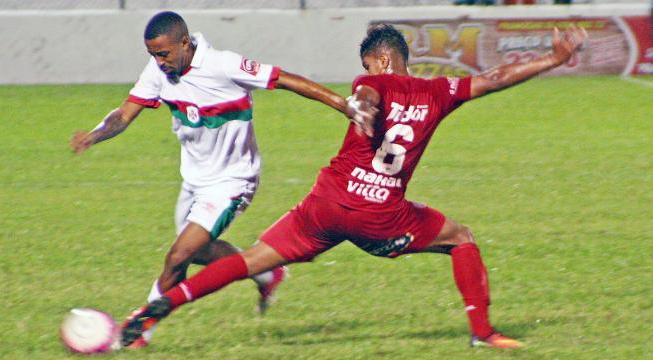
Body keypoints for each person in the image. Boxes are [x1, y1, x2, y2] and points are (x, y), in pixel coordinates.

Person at [118, 24, 587, 349]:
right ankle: (482, 332)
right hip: (382, 218)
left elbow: (367, 93)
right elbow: (495, 79)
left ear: (380, 58)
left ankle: (163, 305)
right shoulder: (441, 92)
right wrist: (555, 57)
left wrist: (362, 105)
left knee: (249, 261)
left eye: (366, 62)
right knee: (461, 238)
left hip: (324, 205)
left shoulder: (370, 82)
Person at [71, 11, 370, 348]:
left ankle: (138, 330)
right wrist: (95, 134)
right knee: (199, 253)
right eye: (152, 55)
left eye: (164, 54)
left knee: (178, 257)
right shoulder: (158, 71)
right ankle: (267, 272)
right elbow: (124, 114)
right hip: (193, 182)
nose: (159, 62)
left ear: (184, 43)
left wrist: (342, 104)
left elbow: (284, 79)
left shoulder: (224, 65)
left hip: (232, 182)